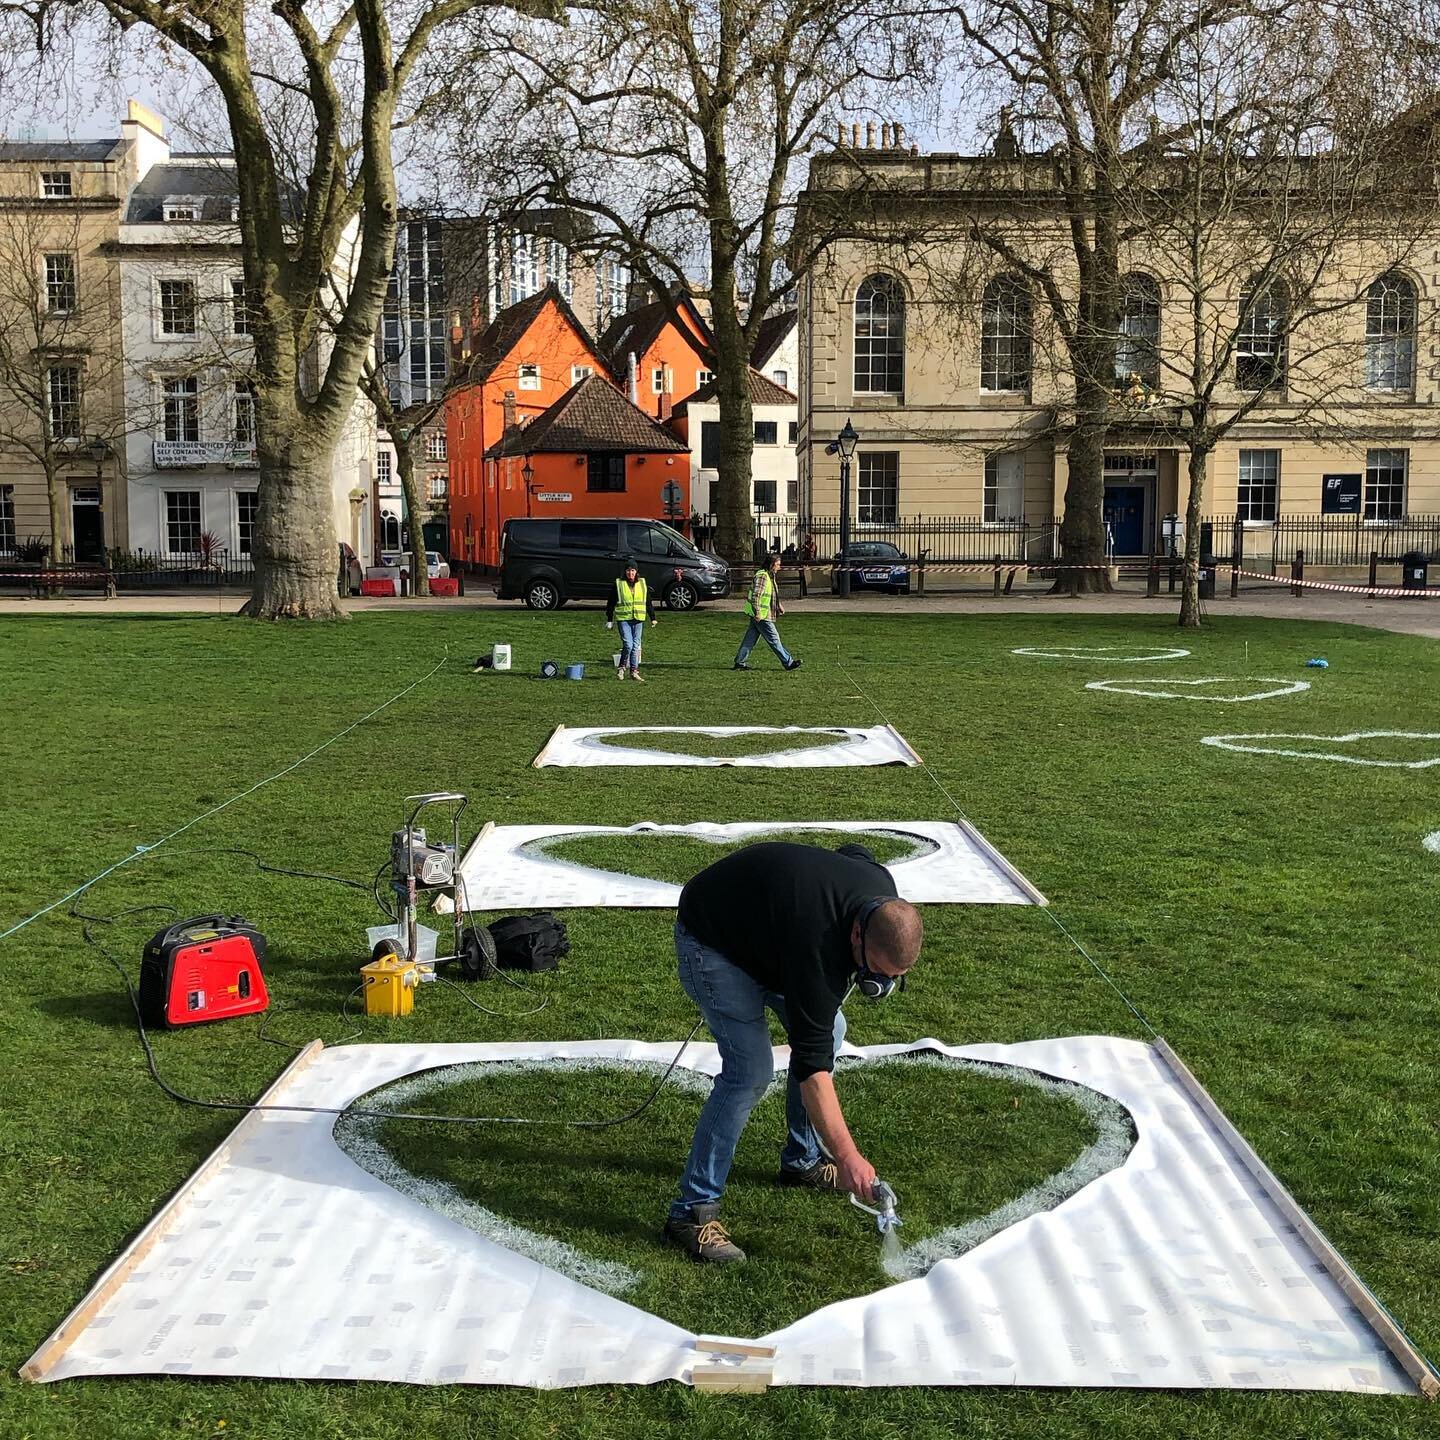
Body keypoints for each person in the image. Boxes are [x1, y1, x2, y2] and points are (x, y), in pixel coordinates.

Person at [663, 841, 924, 1263]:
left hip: (772, 943)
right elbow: (812, 1071)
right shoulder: (816, 950)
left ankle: (801, 1160)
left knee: (832, 1030)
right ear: (857, 933)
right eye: (872, 972)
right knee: (749, 1073)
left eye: (893, 979)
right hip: (713, 942)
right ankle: (691, 1214)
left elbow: (853, 851)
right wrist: (848, 1155)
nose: (875, 985)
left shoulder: (880, 890)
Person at [734, 552, 801, 672]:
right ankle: (788, 662)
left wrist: (778, 605)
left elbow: (771, 593)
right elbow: (756, 596)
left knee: (750, 639)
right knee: (774, 639)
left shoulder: (768, 575)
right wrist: (758, 612)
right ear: (771, 564)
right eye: (778, 564)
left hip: (761, 614)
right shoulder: (763, 576)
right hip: (763, 615)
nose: (779, 567)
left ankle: (740, 662)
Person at [605, 556, 657, 681]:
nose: (630, 573)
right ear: (625, 572)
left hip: (638, 618)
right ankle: (622, 667)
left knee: (635, 646)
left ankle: (634, 671)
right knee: (628, 644)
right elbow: (611, 602)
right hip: (624, 618)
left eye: (633, 570)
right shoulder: (619, 584)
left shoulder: (642, 584)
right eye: (628, 570)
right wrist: (609, 619)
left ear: (636, 571)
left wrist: (653, 617)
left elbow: (647, 601)